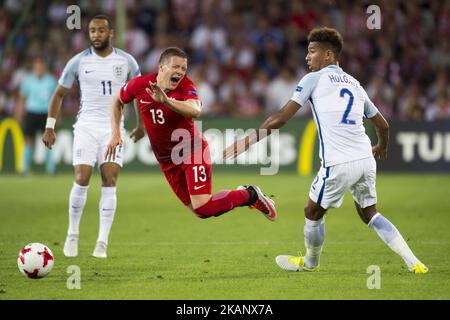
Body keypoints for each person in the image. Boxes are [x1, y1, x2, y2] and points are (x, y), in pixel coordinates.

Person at [223, 27, 428, 274]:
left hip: (338, 163)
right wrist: (381, 146)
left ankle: (310, 262)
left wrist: (249, 140)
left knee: (312, 211)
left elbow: (280, 118)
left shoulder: (313, 79)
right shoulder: (355, 83)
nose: (307, 57)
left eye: (312, 52)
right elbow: (383, 125)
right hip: (365, 160)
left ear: (329, 55)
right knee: (370, 214)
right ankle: (414, 262)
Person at [105, 47, 276, 222]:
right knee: (199, 211)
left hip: (192, 150)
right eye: (176, 67)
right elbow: (118, 100)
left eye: (183, 68)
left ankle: (250, 195)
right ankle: (244, 194)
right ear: (161, 67)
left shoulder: (186, 86)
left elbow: (195, 110)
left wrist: (167, 101)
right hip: (167, 161)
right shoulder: (140, 84)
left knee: (204, 207)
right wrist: (122, 131)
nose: (180, 72)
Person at [42, 15, 144, 258]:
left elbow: (139, 94)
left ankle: (102, 242)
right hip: (86, 126)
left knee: (109, 179)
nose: (96, 35)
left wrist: (141, 125)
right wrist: (50, 126)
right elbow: (58, 94)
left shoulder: (127, 61)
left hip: (112, 129)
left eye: (100, 30)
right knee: (82, 177)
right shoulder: (78, 62)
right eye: (92, 31)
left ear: (110, 33)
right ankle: (72, 234)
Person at [16, 56, 57, 175]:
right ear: (34, 68)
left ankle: (50, 170)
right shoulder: (28, 80)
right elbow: (22, 99)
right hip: (31, 113)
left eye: (41, 67)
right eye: (37, 67)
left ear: (44, 67)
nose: (39, 69)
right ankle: (24, 169)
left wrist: (56, 116)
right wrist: (19, 114)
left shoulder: (51, 81)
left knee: (49, 140)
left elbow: (56, 101)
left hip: (46, 113)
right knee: (28, 140)